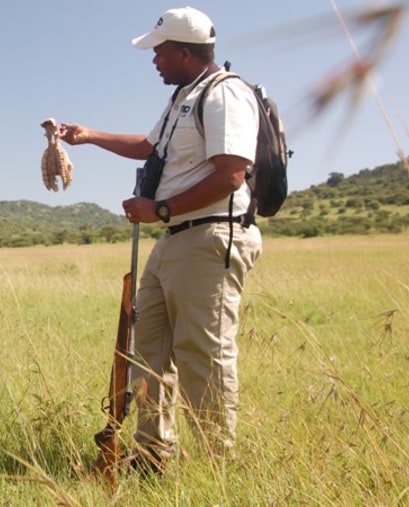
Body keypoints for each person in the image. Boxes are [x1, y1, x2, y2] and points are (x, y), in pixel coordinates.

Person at [60, 6, 262, 469]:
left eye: (160, 51)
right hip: (174, 238)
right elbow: (150, 148)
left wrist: (161, 208)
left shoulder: (226, 94)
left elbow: (231, 174)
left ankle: (219, 463)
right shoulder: (183, 98)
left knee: (204, 353)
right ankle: (153, 453)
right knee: (149, 347)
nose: (154, 60)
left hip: (210, 234)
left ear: (185, 53)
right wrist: (89, 136)